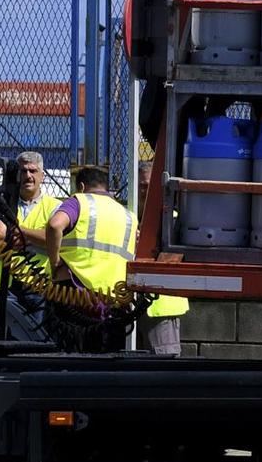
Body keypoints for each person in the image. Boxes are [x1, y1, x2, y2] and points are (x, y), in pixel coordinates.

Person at [0, 150, 62, 343]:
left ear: (42, 176)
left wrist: (19, 232)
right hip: (5, 284)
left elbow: (55, 237)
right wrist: (35, 238)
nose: (28, 176)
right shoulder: (3, 202)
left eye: (33, 171)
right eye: (23, 171)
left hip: (37, 286)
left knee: (35, 341)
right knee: (1, 339)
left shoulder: (55, 207)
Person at [43, 165, 137, 313]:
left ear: (81, 186)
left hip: (74, 290)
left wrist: (54, 263)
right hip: (112, 297)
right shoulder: (129, 216)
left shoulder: (79, 201)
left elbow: (55, 225)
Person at [133, 150, 188, 356]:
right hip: (128, 305)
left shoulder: (171, 220)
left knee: (163, 361)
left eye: (148, 186)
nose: (144, 191)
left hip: (161, 305)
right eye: (141, 186)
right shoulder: (127, 216)